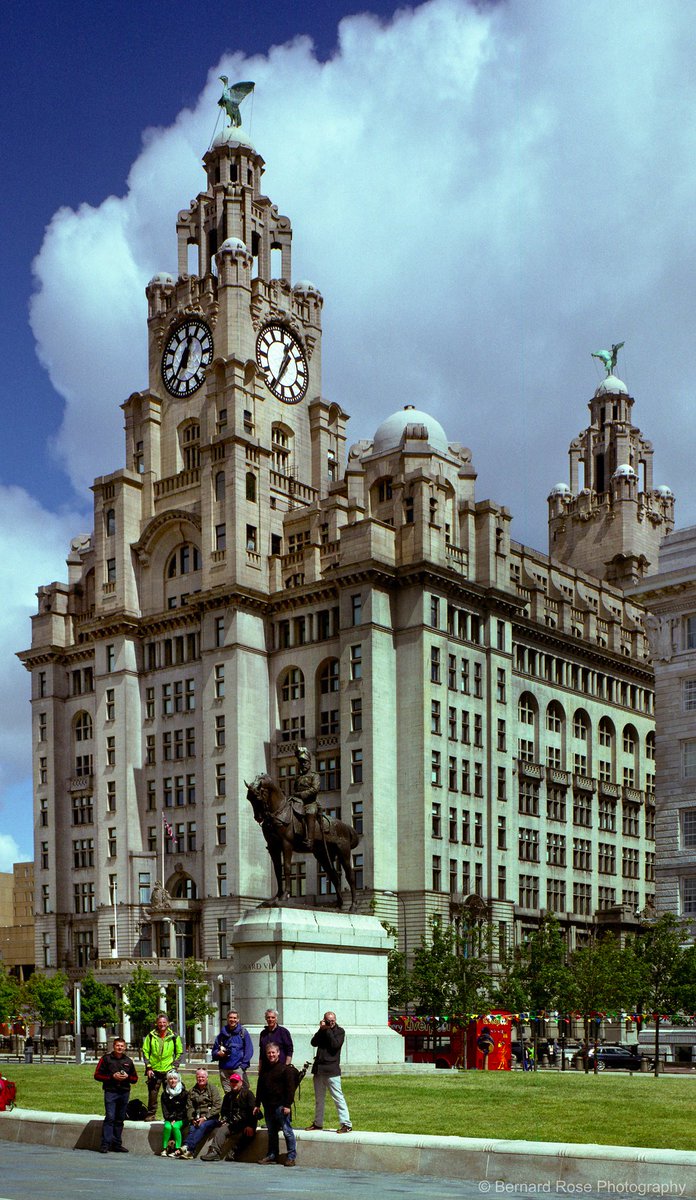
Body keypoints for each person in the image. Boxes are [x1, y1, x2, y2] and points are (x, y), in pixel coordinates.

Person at [306, 1011, 352, 1133]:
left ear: (335, 1020)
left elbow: (335, 1045)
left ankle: (346, 1124)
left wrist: (327, 1030)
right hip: (319, 1070)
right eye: (328, 1020)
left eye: (332, 1020)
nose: (330, 1023)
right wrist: (321, 1030)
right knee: (319, 1099)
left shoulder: (340, 1031)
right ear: (324, 1019)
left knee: (338, 1098)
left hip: (332, 1070)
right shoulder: (322, 1031)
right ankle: (318, 1123)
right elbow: (313, 1043)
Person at [254, 1042, 298, 1166]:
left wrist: (287, 1105)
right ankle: (272, 1155)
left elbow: (290, 1089)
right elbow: (260, 1088)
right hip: (268, 1106)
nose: (271, 1055)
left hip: (281, 1106)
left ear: (278, 1053)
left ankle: (291, 1156)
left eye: (273, 1052)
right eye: (269, 1053)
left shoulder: (285, 1069)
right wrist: (257, 1104)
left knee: (287, 1131)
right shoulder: (264, 1070)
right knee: (271, 1132)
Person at [94, 1036, 138, 1154]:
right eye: (117, 1045)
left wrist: (127, 1077)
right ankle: (105, 1144)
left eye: (122, 1046)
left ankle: (117, 1144)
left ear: (125, 1047)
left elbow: (135, 1079)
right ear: (113, 1046)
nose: (119, 1048)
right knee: (110, 1117)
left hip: (124, 1092)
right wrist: (111, 1077)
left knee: (120, 1119)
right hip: (111, 1091)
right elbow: (97, 1075)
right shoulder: (106, 1059)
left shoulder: (128, 1061)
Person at [200, 1072, 258, 1162]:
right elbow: (224, 1112)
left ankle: (233, 1152)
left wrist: (250, 1125)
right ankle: (214, 1152)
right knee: (222, 1130)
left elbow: (254, 1112)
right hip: (233, 1123)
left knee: (248, 1134)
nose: (234, 1084)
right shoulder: (228, 1096)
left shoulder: (248, 1094)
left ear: (241, 1083)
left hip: (247, 1122)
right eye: (232, 1081)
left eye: (236, 1081)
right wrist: (224, 1119)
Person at [175, 1067, 221, 1159]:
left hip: (211, 1118)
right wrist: (192, 1119)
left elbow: (217, 1105)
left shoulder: (212, 1089)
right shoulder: (192, 1091)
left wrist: (205, 1118)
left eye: (203, 1077)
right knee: (192, 1128)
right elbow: (189, 1107)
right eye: (198, 1077)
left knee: (202, 1126)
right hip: (196, 1118)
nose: (200, 1079)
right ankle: (190, 1153)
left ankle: (187, 1146)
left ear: (207, 1078)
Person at [142, 1012, 183, 1119]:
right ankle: (151, 1115)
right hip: (154, 1070)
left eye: (164, 1022)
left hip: (169, 1070)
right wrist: (148, 1067)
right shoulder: (150, 1036)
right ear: (157, 1023)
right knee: (152, 1095)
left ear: (168, 1023)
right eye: (160, 1022)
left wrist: (175, 1066)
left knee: (171, 1094)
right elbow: (145, 1051)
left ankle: (172, 1116)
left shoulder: (174, 1036)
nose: (162, 1024)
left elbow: (180, 1052)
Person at [212, 1009, 253, 1092]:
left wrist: (243, 1066)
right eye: (230, 1017)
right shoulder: (222, 1034)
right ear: (227, 1019)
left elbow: (249, 1050)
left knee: (242, 1092)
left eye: (234, 1018)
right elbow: (214, 1051)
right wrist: (218, 1053)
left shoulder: (243, 1033)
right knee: (228, 1094)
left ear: (238, 1020)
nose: (232, 1020)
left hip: (238, 1068)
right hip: (224, 1069)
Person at [291, 745, 321, 848]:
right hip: (297, 802)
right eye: (301, 762)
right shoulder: (298, 778)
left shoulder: (314, 776)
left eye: (304, 762)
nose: (302, 764)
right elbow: (295, 790)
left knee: (310, 812)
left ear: (309, 763)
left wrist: (302, 794)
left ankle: (310, 840)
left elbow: (315, 789)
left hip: (310, 803)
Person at [160, 1070, 188, 1156]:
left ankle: (177, 1149)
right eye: (170, 1079)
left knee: (175, 1127)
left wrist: (175, 1119)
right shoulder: (164, 1094)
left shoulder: (184, 1094)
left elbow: (184, 1109)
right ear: (167, 1081)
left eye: (175, 1078)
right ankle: (165, 1148)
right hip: (169, 1118)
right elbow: (164, 1110)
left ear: (179, 1080)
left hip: (181, 1118)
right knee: (167, 1127)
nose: (173, 1081)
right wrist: (170, 1118)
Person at [259, 1009, 293, 1074]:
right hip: (266, 1068)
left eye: (273, 1017)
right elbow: (261, 1052)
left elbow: (289, 1050)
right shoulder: (263, 1033)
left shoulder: (284, 1032)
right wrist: (260, 1068)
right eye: (268, 1017)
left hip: (280, 1067)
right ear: (266, 1019)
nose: (270, 1019)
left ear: (276, 1019)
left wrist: (286, 1067)